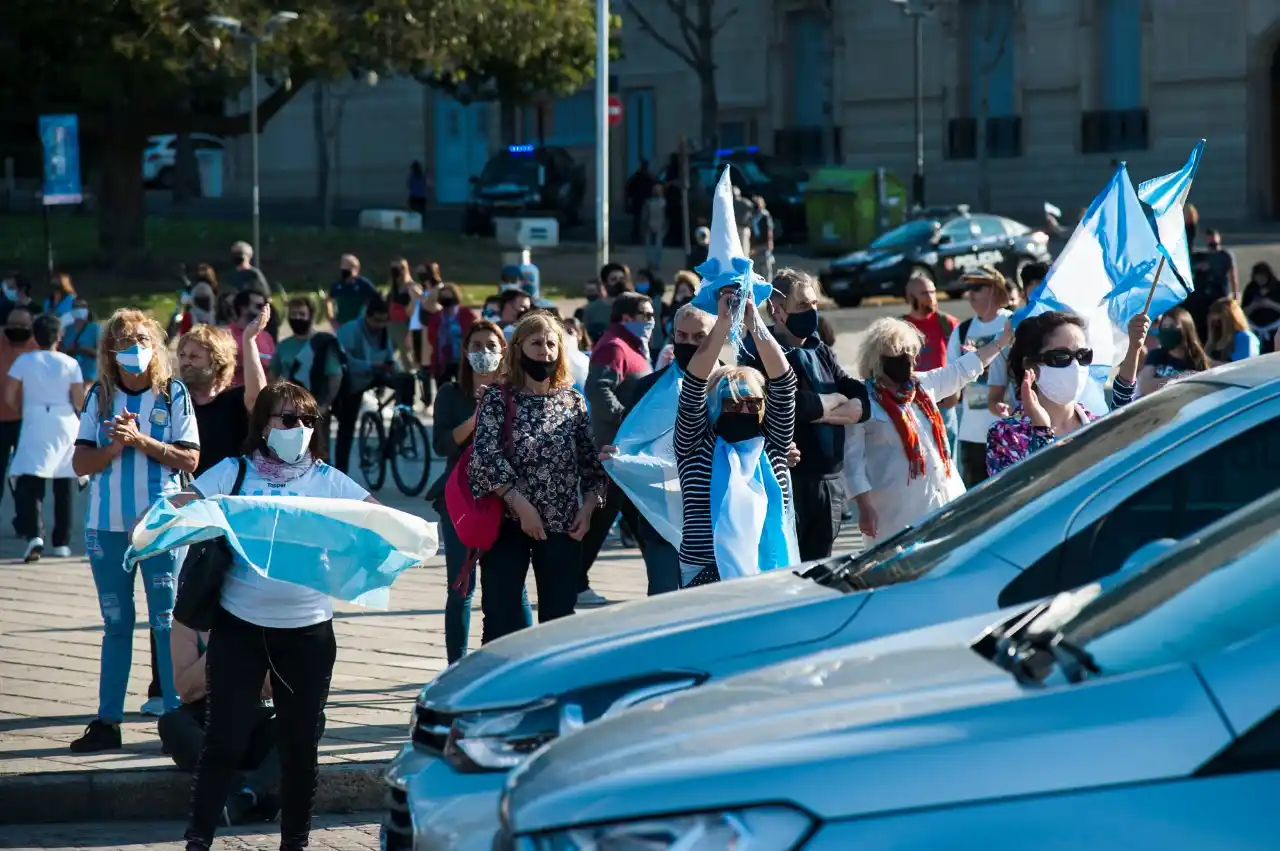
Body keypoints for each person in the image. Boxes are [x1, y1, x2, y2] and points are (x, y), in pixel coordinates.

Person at [169, 380, 376, 851]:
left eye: (307, 420)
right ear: (264, 425)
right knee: (222, 741)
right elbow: (182, 505)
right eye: (287, 419)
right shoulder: (234, 472)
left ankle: (294, 843)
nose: (299, 429)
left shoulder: (326, 479)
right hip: (240, 627)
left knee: (301, 748)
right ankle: (198, 839)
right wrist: (181, 512)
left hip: (308, 633)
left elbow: (376, 519)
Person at [69, 310, 200, 753]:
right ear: (110, 351)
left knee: (167, 623)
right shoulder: (100, 397)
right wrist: (116, 446)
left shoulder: (172, 394)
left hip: (161, 527)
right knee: (116, 623)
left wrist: (143, 441)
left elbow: (189, 460)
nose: (134, 347)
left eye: (142, 339)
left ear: (156, 346)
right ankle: (108, 721)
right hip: (106, 528)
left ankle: (175, 717)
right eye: (124, 341)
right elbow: (80, 463)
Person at [468, 313, 607, 642]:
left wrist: (588, 507)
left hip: (561, 525)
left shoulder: (572, 401)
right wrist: (520, 504)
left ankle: (552, 688)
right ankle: (497, 690)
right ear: (518, 349)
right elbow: (484, 458)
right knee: (501, 619)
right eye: (536, 343)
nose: (544, 351)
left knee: (559, 622)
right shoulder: (498, 398)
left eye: (551, 343)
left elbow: (591, 464)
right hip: (507, 523)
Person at [844, 316, 1010, 545]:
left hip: (945, 501)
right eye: (898, 353)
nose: (907, 359)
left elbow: (964, 369)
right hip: (894, 515)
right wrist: (863, 507)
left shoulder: (924, 385)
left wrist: (1002, 340)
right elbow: (851, 462)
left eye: (910, 352)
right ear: (878, 359)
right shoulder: (862, 401)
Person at [741, 269, 868, 562]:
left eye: (813, 305)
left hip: (829, 483)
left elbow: (854, 394)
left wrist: (847, 406)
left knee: (820, 567)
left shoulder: (818, 348)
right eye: (802, 306)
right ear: (778, 310)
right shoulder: (758, 351)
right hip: (791, 482)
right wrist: (834, 401)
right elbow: (786, 403)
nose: (811, 312)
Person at [426, 321, 532, 662]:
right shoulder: (450, 394)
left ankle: (522, 658)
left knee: (513, 586)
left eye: (491, 344)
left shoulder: (515, 391)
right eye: (476, 345)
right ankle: (455, 665)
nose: (484, 352)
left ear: (504, 350)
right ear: (465, 351)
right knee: (461, 586)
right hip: (462, 500)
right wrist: (477, 417)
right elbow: (443, 444)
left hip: (506, 499)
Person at [677, 291, 796, 587]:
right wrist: (723, 324)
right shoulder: (695, 445)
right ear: (716, 405)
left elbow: (784, 382)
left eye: (753, 403)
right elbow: (693, 385)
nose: (744, 408)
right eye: (732, 402)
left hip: (768, 569)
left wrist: (753, 320)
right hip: (706, 570)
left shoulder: (772, 445)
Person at [612, 302, 718, 595]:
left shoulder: (734, 385)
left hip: (717, 519)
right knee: (664, 602)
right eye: (681, 336)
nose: (688, 344)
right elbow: (630, 447)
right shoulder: (647, 388)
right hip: (660, 520)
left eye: (699, 337)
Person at [985, 311, 1148, 475]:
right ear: (1031, 366)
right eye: (1061, 356)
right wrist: (1042, 432)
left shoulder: (1097, 426)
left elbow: (1122, 406)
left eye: (1083, 355)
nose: (1075, 366)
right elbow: (1025, 495)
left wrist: (1134, 348)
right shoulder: (1006, 434)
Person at [159, 620, 285, 826]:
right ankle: (246, 795)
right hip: (206, 722)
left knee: (309, 719)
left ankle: (248, 794)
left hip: (249, 720)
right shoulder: (187, 623)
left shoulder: (261, 619)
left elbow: (277, 690)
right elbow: (185, 689)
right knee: (172, 723)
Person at [580, 292, 656, 606]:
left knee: (642, 521)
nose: (651, 321)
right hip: (613, 454)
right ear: (626, 317)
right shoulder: (614, 346)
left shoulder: (632, 345)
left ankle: (665, 581)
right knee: (601, 519)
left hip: (629, 456)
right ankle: (573, 582)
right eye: (645, 315)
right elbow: (597, 388)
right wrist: (627, 421)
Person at [7, 314, 85, 561]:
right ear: (59, 337)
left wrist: (21, 410)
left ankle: (34, 535)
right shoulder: (70, 363)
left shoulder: (24, 361)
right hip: (64, 421)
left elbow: (9, 392)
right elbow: (78, 400)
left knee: (31, 480)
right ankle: (61, 542)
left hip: (35, 419)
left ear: (34, 336)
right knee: (65, 483)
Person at [946, 268, 1014, 488]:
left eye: (977, 287)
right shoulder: (962, 330)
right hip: (972, 434)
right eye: (968, 288)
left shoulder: (1013, 323)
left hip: (1008, 430)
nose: (970, 294)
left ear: (994, 290)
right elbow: (950, 379)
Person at [334, 295, 411, 473]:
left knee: (406, 380)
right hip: (353, 379)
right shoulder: (351, 330)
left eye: (384, 321)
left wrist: (394, 369)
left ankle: (402, 426)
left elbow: (390, 357)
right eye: (377, 321)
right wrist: (371, 365)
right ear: (367, 317)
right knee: (347, 425)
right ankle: (340, 469)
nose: (381, 325)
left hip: (377, 373)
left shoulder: (384, 330)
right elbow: (344, 360)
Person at [179, 322, 261, 477]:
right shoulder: (177, 403)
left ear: (216, 361)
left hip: (232, 494)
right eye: (182, 356)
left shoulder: (237, 400)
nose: (185, 362)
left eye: (194, 356)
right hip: (190, 495)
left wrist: (249, 339)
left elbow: (259, 399)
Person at [270, 297, 344, 449]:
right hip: (287, 411)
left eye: (301, 314)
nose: (297, 318)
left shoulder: (323, 343)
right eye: (293, 314)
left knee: (318, 456)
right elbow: (273, 375)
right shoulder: (284, 346)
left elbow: (334, 375)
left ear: (310, 316)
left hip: (316, 409)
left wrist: (323, 405)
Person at [901, 274, 961, 449]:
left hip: (944, 404)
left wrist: (955, 393)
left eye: (933, 292)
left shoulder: (947, 323)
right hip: (913, 405)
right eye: (925, 293)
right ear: (910, 297)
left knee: (950, 460)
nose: (932, 298)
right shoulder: (900, 327)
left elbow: (961, 359)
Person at [0, 308, 37, 515]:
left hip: (27, 420)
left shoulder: (38, 345)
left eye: (22, 326)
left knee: (23, 475)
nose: (17, 329)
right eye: (12, 324)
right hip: (1, 420)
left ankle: (25, 520)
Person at [1137, 306, 1210, 397]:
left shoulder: (1197, 359)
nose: (1167, 330)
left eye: (1171, 326)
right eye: (1164, 327)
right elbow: (1145, 387)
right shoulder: (1156, 355)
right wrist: (1180, 378)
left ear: (1185, 328)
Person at [1188, 229, 1239, 340]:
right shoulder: (1200, 256)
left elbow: (1233, 276)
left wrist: (1235, 295)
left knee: (1222, 320)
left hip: (1221, 293)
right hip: (1203, 297)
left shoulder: (1225, 255)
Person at [425, 283, 475, 387]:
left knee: (463, 389)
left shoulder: (466, 314)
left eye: (448, 295)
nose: (446, 298)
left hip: (461, 359)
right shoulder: (436, 317)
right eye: (443, 296)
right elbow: (431, 338)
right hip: (442, 361)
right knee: (443, 390)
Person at [228, 290, 275, 388]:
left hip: (263, 398)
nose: (263, 311)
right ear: (243, 308)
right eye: (258, 306)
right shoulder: (225, 336)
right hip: (234, 398)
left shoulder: (267, 337)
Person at [387, 258, 422, 373]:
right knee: (385, 355)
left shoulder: (412, 287)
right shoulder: (393, 288)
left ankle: (410, 383)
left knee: (406, 358)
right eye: (394, 268)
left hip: (404, 326)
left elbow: (415, 309)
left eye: (400, 268)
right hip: (391, 325)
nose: (397, 271)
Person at [1205, 297, 1261, 365]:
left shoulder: (1244, 337)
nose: (1216, 327)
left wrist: (1212, 364)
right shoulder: (1214, 340)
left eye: (1219, 322)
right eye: (1213, 323)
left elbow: (1242, 366)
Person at [327, 254, 379, 326]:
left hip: (360, 325)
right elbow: (328, 300)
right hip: (342, 324)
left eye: (348, 267)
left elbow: (377, 298)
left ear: (356, 269)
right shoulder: (337, 285)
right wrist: (331, 318)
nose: (344, 269)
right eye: (343, 266)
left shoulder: (363, 283)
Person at [1242, 261, 1280, 354]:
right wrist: (1254, 305)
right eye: (1257, 277)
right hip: (1256, 329)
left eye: (1262, 277)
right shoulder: (1250, 288)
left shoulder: (1278, 287)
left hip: (1275, 328)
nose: (1260, 280)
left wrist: (1270, 304)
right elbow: (1242, 312)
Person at [62, 296, 100, 383]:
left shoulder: (95, 328)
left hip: (89, 376)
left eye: (82, 306)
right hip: (69, 375)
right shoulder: (67, 329)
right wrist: (68, 350)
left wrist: (85, 349)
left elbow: (103, 354)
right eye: (76, 306)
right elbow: (60, 351)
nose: (79, 309)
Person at [625, 160, 655, 243]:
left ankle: (638, 233)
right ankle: (639, 234)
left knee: (639, 218)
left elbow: (629, 189)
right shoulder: (645, 177)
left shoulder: (637, 177)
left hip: (640, 200)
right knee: (640, 218)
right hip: (641, 200)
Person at [641, 183, 668, 271]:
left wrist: (665, 226)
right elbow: (645, 215)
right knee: (648, 246)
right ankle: (650, 263)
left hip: (660, 226)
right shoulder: (648, 202)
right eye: (655, 190)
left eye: (658, 190)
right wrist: (645, 225)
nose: (656, 192)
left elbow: (666, 216)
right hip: (649, 225)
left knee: (658, 246)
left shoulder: (664, 203)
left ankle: (657, 264)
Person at [579, 279, 612, 343]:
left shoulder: (612, 308)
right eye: (587, 291)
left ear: (602, 291)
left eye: (592, 291)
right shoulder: (581, 311)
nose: (589, 293)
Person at [750, 196, 775, 281]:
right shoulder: (751, 216)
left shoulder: (765, 215)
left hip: (764, 243)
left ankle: (768, 282)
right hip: (755, 244)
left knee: (766, 265)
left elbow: (769, 229)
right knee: (756, 265)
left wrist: (770, 242)